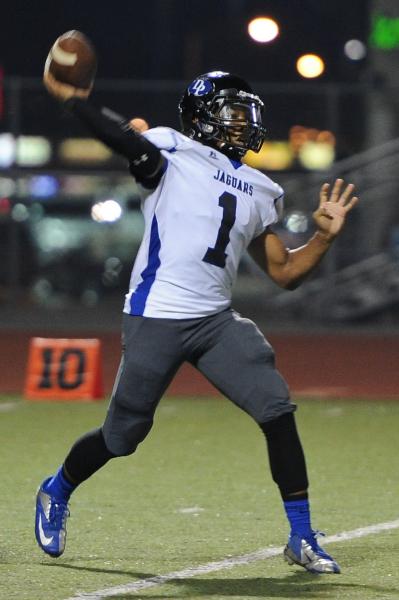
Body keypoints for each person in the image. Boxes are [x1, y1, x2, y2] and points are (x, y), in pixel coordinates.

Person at [35, 67, 358, 574]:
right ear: (201, 116)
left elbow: (285, 272)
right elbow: (127, 143)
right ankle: (57, 488)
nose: (241, 122)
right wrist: (78, 102)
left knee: (276, 409)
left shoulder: (260, 187)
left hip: (215, 322)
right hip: (157, 315)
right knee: (123, 436)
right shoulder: (170, 149)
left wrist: (323, 238)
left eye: (245, 112)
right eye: (231, 111)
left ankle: (301, 535)